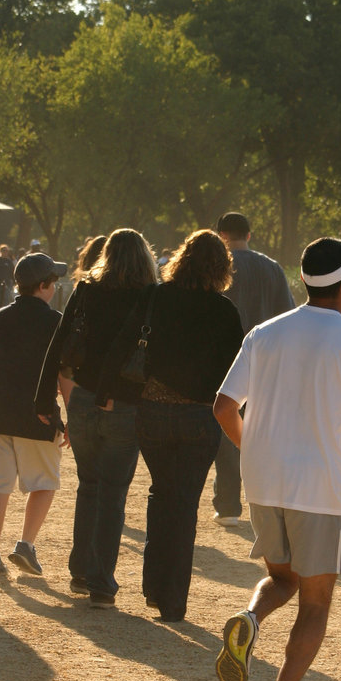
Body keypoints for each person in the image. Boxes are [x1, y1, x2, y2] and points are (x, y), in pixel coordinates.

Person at [213, 238, 341, 681]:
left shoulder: (264, 333)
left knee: (282, 579)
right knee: (315, 602)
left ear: (304, 281)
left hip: (263, 481)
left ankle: (250, 620)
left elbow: (224, 406)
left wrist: (252, 450)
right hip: (318, 487)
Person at [96, 230, 243, 622]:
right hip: (201, 416)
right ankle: (173, 599)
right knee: (185, 504)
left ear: (181, 259)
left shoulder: (156, 297)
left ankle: (154, 587)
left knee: (161, 494)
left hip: (154, 411)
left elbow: (123, 344)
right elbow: (239, 372)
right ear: (222, 267)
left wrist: (105, 391)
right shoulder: (225, 311)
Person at [36, 228, 159, 608]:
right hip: (124, 403)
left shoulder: (87, 289)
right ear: (145, 258)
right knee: (113, 492)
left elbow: (58, 343)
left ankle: (80, 569)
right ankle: (102, 581)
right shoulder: (150, 296)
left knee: (89, 485)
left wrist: (44, 400)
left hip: (83, 398)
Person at [0, 253, 70, 578]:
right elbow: (65, 376)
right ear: (44, 286)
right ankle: (25, 545)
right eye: (53, 282)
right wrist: (71, 418)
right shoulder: (57, 321)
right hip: (39, 416)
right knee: (45, 482)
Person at [212, 211, 294, 527]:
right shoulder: (271, 268)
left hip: (223, 359)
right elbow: (286, 316)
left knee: (227, 429)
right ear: (250, 234)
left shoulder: (217, 266)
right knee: (263, 430)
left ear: (221, 235)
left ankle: (229, 504)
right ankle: (267, 503)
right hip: (265, 361)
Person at [0, 245, 15, 311]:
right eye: (4, 251)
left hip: (7, 285)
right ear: (0, 251)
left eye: (7, 251)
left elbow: (12, 273)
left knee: (6, 302)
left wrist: (13, 283)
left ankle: (4, 315)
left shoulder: (9, 262)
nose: (5, 252)